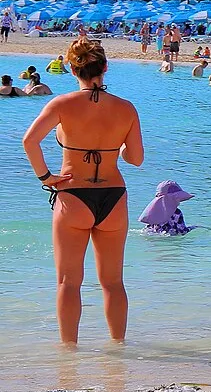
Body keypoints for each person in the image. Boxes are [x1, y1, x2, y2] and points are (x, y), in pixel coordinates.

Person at [21, 39, 145, 345]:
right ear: (104, 68)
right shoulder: (126, 108)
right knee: (113, 282)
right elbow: (136, 159)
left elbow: (29, 142)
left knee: (68, 282)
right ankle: (119, 349)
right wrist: (116, 146)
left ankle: (69, 356)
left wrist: (46, 177)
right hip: (114, 197)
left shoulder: (61, 104)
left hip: (73, 195)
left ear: (73, 69)